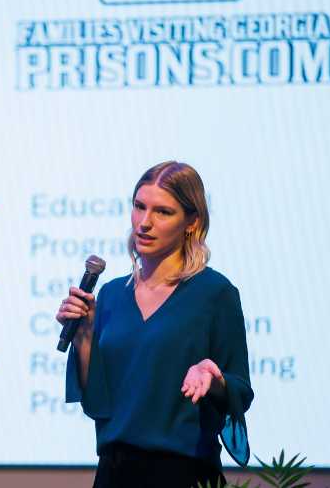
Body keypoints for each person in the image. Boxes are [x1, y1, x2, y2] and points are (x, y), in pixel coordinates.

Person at [56, 161, 253, 488]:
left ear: (192, 221)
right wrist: (85, 338)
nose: (144, 223)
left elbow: (240, 391)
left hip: (184, 471)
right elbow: (97, 404)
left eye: (162, 212)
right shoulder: (111, 294)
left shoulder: (214, 293)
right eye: (139, 207)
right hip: (115, 472)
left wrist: (213, 378)